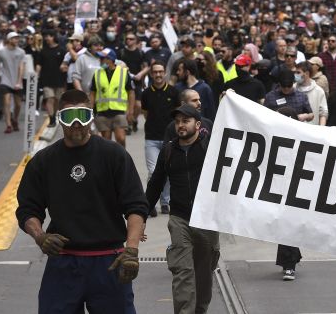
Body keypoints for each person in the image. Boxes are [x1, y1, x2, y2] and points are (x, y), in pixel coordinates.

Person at [16, 89, 148, 313]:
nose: (76, 123)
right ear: (59, 119)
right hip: (63, 264)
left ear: (92, 117)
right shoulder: (44, 161)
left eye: (83, 116)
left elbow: (136, 205)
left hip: (110, 262)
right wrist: (40, 236)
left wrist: (132, 250)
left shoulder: (115, 155)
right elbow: (28, 208)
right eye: (69, 117)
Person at [146, 104, 219, 314]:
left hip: (206, 220)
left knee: (204, 273)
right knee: (182, 271)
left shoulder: (210, 148)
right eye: (177, 121)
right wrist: (141, 215)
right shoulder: (168, 151)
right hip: (180, 219)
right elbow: (156, 184)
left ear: (197, 125)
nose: (180, 125)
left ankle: (199, 310)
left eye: (185, 121)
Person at [141, 62, 180, 216]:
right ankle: (150, 203)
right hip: (151, 137)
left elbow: (178, 114)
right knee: (153, 172)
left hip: (169, 138)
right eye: (155, 72)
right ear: (151, 74)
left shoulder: (173, 92)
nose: (158, 75)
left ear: (165, 73)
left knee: (168, 172)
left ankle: (165, 202)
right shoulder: (146, 93)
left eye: (160, 72)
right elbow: (145, 113)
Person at [90, 48, 135, 147]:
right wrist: (90, 111)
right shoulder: (97, 74)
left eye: (102, 58)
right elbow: (92, 93)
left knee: (121, 139)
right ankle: (109, 162)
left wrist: (130, 111)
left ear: (110, 59)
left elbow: (131, 93)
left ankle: (122, 159)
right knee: (106, 143)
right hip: (102, 112)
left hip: (119, 111)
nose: (100, 60)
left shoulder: (123, 73)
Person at [0, 32, 25, 133]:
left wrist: (19, 81)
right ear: (9, 40)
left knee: (18, 104)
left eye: (17, 38)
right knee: (7, 102)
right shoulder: (1, 51)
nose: (17, 40)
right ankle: (9, 125)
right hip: (5, 80)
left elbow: (21, 67)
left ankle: (15, 120)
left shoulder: (21, 52)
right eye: (14, 38)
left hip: (17, 81)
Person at [119, 33, 149, 133]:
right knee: (126, 105)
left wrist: (141, 74)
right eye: (127, 39)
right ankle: (128, 124)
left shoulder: (140, 52)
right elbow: (117, 64)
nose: (129, 40)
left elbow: (146, 67)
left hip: (137, 82)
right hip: (123, 81)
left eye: (131, 39)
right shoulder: (122, 52)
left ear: (136, 41)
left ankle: (134, 119)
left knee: (138, 105)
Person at [36, 30, 66, 127]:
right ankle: (52, 118)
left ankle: (55, 114)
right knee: (49, 99)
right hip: (46, 80)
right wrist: (36, 75)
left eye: (48, 36)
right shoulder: (43, 51)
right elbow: (39, 65)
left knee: (57, 99)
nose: (46, 38)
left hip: (59, 80)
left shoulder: (61, 50)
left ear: (53, 37)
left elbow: (65, 64)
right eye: (46, 37)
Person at [295, 61, 328, 125]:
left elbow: (323, 113)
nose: (295, 75)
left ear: (307, 73)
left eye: (298, 72)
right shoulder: (293, 88)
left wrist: (321, 129)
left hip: (312, 130)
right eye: (295, 72)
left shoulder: (319, 91)